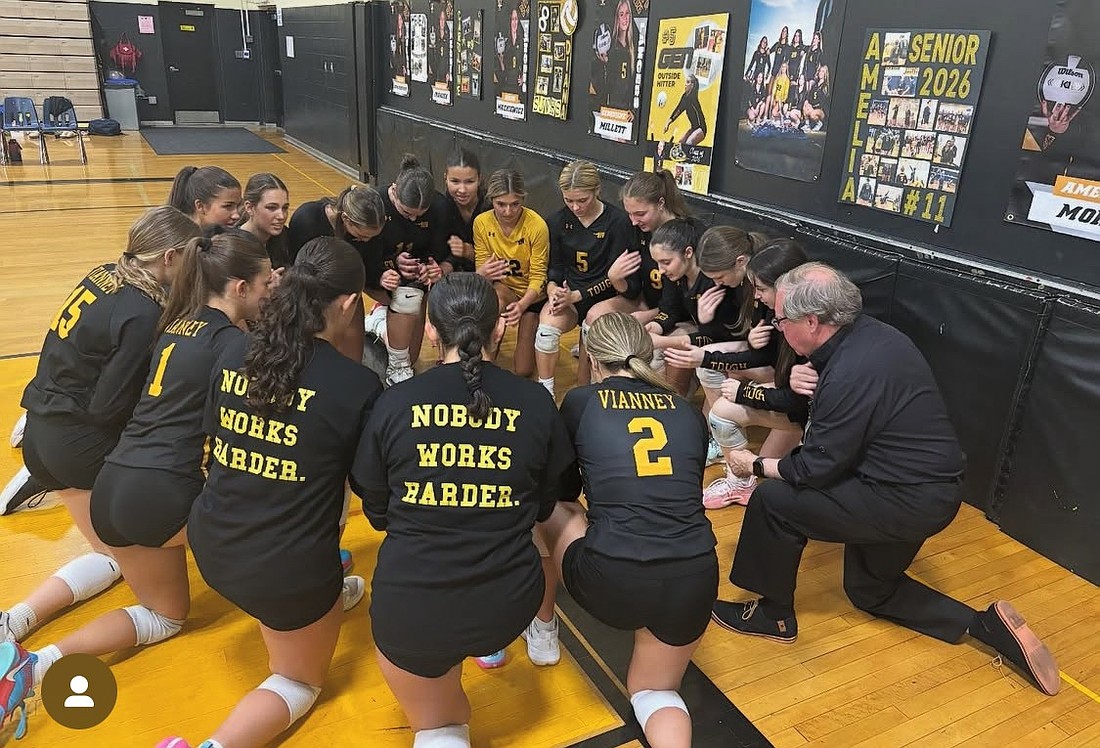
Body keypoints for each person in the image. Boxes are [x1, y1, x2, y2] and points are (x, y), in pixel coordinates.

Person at [710, 263, 1061, 698]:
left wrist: (754, 465)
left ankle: (773, 616)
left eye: (781, 320)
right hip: (932, 490)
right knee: (869, 590)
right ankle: (983, 625)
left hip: (901, 499)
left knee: (775, 500)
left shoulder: (848, 371)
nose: (778, 328)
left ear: (813, 322)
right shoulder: (876, 337)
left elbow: (813, 469)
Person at [20, 229, 273, 695]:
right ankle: (324, 593)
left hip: (112, 480)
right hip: (160, 490)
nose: (270, 292)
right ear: (240, 289)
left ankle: (34, 664)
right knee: (272, 520)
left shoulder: (173, 320)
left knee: (163, 614)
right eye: (265, 285)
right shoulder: (230, 346)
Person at [162, 238, 382, 748]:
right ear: (350, 303)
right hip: (282, 571)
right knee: (298, 682)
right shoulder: (356, 386)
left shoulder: (233, 348)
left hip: (212, 541)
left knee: (318, 530)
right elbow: (374, 493)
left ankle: (329, 597)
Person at [349, 272, 579, 748]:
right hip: (509, 603)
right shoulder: (536, 403)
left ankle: (444, 721)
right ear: (500, 331)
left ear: (431, 331)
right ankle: (517, 636)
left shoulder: (395, 403)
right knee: (559, 514)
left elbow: (374, 504)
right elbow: (546, 501)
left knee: (440, 725)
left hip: (411, 609)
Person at [0, 207, 200, 645]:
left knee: (107, 554)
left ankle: (13, 620)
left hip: (42, 425)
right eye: (191, 255)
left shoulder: (105, 273)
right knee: (157, 539)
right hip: (79, 442)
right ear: (169, 257)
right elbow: (109, 406)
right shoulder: (144, 311)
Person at [537, 312, 717, 748]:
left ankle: (542, 627)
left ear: (594, 362)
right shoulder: (687, 411)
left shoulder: (580, 401)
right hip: (694, 578)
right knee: (656, 692)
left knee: (547, 509)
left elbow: (562, 489)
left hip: (612, 577)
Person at [699, 239, 810, 510]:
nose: (756, 295)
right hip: (796, 401)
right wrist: (707, 357)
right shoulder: (781, 312)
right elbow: (767, 358)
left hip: (815, 419)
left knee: (726, 414)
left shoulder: (807, 326)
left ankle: (742, 478)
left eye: (760, 289)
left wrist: (744, 393)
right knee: (726, 416)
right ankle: (737, 472)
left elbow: (798, 402)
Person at [535, 160, 636, 397]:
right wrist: (552, 289)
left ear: (597, 191)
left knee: (584, 383)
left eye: (582, 200)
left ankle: (593, 392)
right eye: (569, 200)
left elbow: (613, 277)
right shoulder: (557, 221)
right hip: (571, 295)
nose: (576, 207)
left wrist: (577, 295)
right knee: (546, 330)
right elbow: (556, 267)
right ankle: (545, 393)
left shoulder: (618, 222)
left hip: (604, 298)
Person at [377, 154, 453, 385]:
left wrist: (433, 267)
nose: (412, 219)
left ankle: (380, 324)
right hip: (378, 271)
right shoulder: (376, 201)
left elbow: (441, 251)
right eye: (406, 212)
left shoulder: (440, 207)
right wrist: (390, 263)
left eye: (420, 215)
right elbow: (364, 249)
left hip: (415, 277)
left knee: (412, 357)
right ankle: (393, 356)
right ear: (394, 190)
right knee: (407, 301)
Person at [474, 169, 548, 379]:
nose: (508, 211)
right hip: (504, 287)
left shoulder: (536, 225)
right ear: (492, 200)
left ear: (523, 200)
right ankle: (484, 365)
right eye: (501, 204)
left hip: (532, 296)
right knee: (493, 301)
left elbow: (539, 275)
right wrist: (482, 273)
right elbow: (481, 268)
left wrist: (523, 305)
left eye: (515, 204)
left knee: (523, 370)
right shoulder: (482, 222)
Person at [441, 148, 488, 273]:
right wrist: (446, 265)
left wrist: (469, 252)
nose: (462, 190)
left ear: (479, 179)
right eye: (455, 181)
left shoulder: (492, 208)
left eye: (469, 182)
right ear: (445, 178)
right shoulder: (441, 206)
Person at [239, 172, 291, 270]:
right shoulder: (232, 246)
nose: (281, 216)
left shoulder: (284, 237)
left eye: (285, 208)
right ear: (249, 208)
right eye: (271, 208)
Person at [167, 166, 242, 229]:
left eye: (238, 206)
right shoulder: (174, 243)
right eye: (228, 206)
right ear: (200, 206)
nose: (236, 216)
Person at [665, 74, 707, 146]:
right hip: (694, 128)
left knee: (688, 143)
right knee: (680, 143)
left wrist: (669, 121)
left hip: (701, 129)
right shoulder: (685, 97)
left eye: (688, 82)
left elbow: (680, 109)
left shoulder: (692, 99)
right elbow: (678, 109)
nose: (685, 84)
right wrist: (669, 121)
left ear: (692, 85)